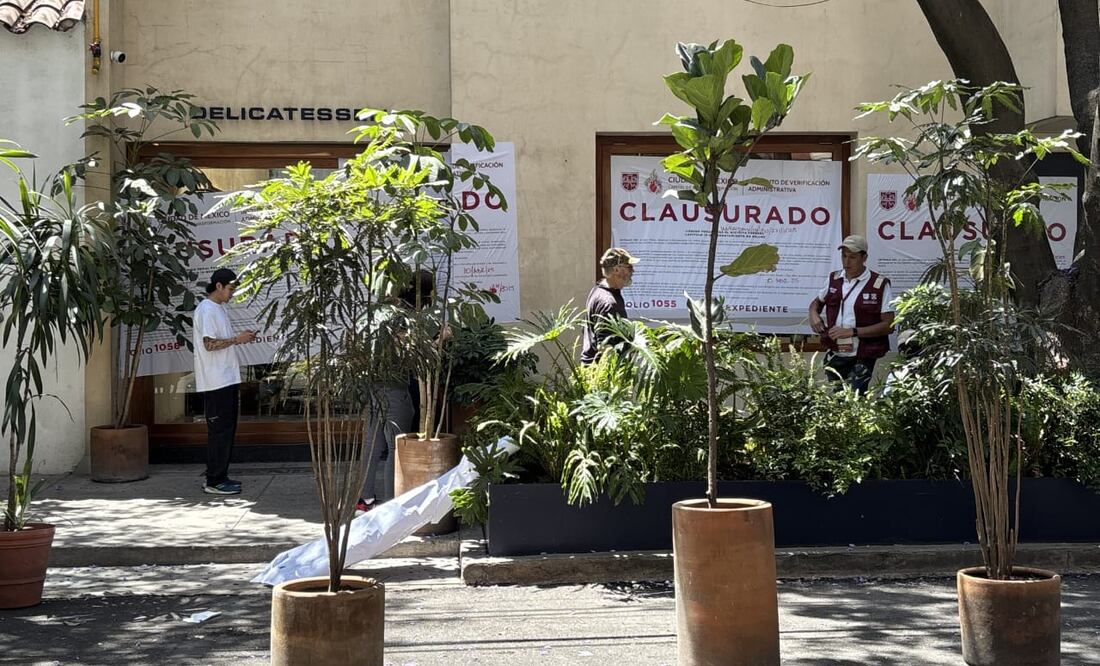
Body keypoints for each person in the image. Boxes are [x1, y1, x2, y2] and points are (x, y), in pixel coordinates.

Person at [193, 268, 257, 495]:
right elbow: (209, 344)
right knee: (220, 432)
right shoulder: (207, 309)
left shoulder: (217, 309)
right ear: (218, 286)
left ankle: (220, 476)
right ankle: (214, 481)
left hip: (225, 379)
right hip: (215, 381)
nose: (232, 294)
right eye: (230, 289)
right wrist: (236, 340)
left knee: (226, 431)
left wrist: (238, 340)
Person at [808, 234, 895, 394]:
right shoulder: (834, 278)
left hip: (863, 353)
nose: (846, 262)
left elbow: (888, 325)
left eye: (852, 257)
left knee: (856, 397)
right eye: (844, 256)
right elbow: (816, 303)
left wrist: (852, 331)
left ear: (864, 258)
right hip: (836, 351)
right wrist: (813, 314)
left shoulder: (879, 284)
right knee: (838, 398)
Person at [581, 247, 640, 365]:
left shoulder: (598, 291)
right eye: (629, 267)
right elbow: (606, 348)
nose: (632, 271)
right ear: (616, 270)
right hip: (601, 374)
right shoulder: (609, 303)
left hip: (592, 368)